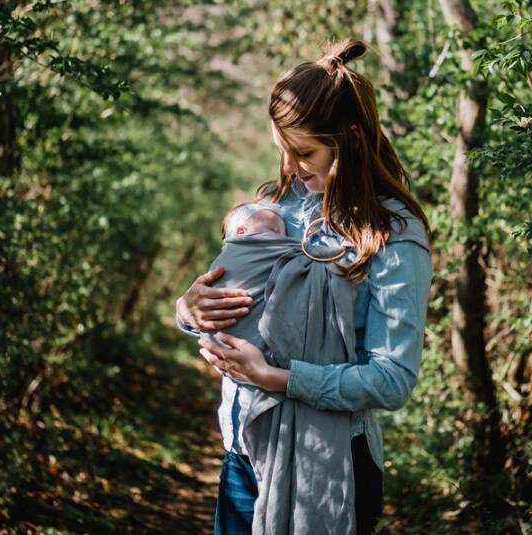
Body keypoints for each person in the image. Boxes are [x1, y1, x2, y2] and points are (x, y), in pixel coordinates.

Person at [176, 37, 434, 535]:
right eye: (283, 150)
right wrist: (189, 309)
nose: (291, 167)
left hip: (333, 464)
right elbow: (220, 305)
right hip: (243, 450)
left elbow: (392, 378)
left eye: (304, 151)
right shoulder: (274, 208)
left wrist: (279, 378)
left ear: (351, 140)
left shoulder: (394, 234)